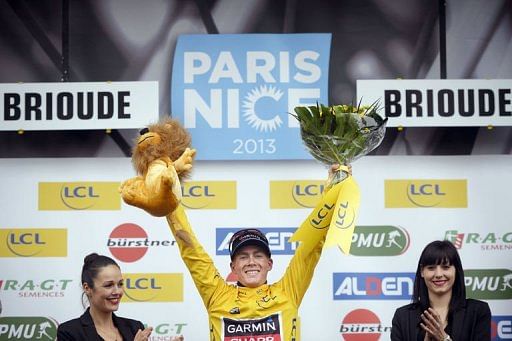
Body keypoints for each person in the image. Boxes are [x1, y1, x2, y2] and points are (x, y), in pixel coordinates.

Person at [166, 165, 345, 340]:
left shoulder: (288, 291)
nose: (251, 261)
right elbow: (192, 252)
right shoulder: (218, 296)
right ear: (233, 267)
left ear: (269, 264)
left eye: (258, 255)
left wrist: (333, 190)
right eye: (243, 257)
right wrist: (167, 197)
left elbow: (312, 244)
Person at [57, 253, 183, 341]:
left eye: (120, 284)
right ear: (87, 288)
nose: (117, 291)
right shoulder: (69, 332)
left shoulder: (135, 327)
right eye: (108, 285)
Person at [391, 240, 491, 341]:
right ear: (422, 271)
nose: (438, 274)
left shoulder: (477, 311)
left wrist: (444, 339)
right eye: (431, 268)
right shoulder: (402, 316)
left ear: (456, 270)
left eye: (446, 267)